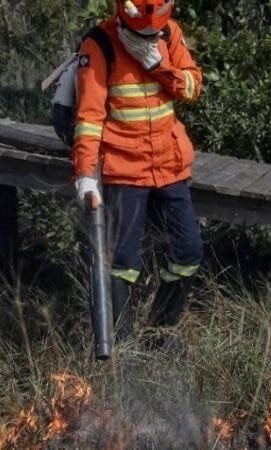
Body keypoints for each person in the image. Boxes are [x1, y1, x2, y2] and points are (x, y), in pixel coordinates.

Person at [71, 0, 203, 346]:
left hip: (169, 164)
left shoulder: (170, 34)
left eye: (155, 31)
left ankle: (158, 334)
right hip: (124, 170)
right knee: (123, 264)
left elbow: (192, 88)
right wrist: (85, 175)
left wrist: (161, 66)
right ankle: (123, 350)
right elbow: (88, 118)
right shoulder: (98, 44)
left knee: (188, 253)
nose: (150, 36)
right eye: (143, 32)